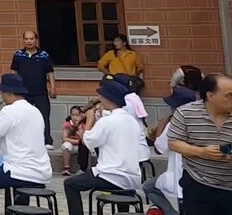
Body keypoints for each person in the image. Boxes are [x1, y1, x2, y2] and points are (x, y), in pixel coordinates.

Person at [0, 74, 52, 212]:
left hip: (19, 170)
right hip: (41, 170)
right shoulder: (35, 111)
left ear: (8, 93)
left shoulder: (9, 111)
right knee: (14, 184)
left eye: (2, 92)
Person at [63, 79, 144, 215]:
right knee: (120, 190)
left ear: (108, 99)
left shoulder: (107, 121)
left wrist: (89, 120)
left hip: (111, 175)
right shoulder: (132, 121)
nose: (99, 99)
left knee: (70, 184)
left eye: (101, 96)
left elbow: (89, 142)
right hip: (132, 177)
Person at [165, 73, 232, 215]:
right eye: (229, 96)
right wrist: (201, 152)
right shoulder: (185, 113)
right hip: (199, 184)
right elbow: (174, 143)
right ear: (210, 96)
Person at [142, 86, 195, 215]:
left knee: (148, 186)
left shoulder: (174, 123)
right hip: (197, 178)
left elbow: (159, 148)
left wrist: (162, 125)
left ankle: (171, 212)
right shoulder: (199, 120)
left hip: (178, 175)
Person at [11, 30, 57, 147]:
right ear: (23, 40)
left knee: (43, 116)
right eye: (26, 39)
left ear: (36, 40)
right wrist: (13, 88)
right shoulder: (18, 55)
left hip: (40, 92)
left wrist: (53, 88)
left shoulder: (44, 55)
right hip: (23, 93)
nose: (29, 41)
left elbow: (50, 73)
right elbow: (14, 72)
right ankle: (25, 140)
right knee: (24, 117)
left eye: (31, 39)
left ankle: (47, 141)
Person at [61, 105, 89, 175]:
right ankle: (66, 167)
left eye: (77, 115)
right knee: (66, 145)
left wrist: (79, 127)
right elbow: (64, 138)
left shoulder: (84, 124)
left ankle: (82, 168)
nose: (74, 117)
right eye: (73, 115)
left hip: (80, 147)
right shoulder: (67, 124)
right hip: (72, 145)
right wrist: (76, 142)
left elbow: (83, 137)